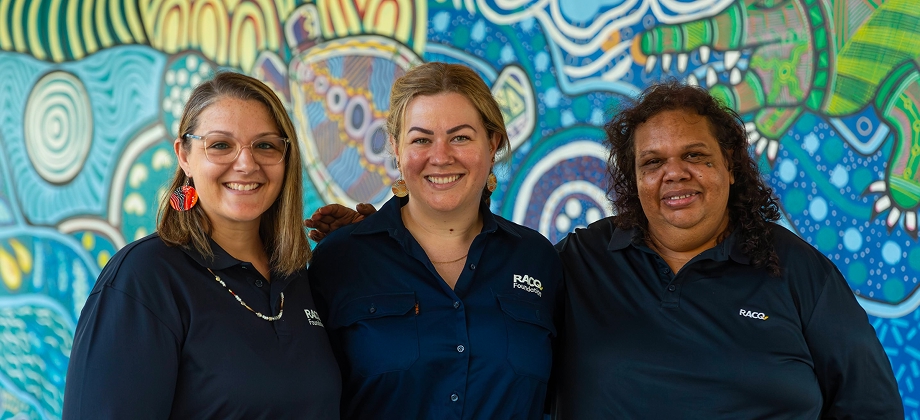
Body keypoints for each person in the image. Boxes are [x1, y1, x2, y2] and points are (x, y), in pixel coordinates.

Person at [308, 81, 903, 418]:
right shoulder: (578, 261)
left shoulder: (797, 270)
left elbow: (869, 404)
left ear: (731, 168)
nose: (675, 175)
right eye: (652, 162)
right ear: (631, 179)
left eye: (695, 156)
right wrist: (367, 236)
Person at [63, 72, 340, 419]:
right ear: (184, 156)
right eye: (221, 145)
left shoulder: (297, 278)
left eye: (265, 145)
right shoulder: (144, 278)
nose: (246, 163)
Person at [306, 62, 563, 419]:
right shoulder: (339, 260)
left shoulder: (539, 260)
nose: (440, 156)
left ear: (493, 143)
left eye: (460, 137)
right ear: (396, 148)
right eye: (421, 139)